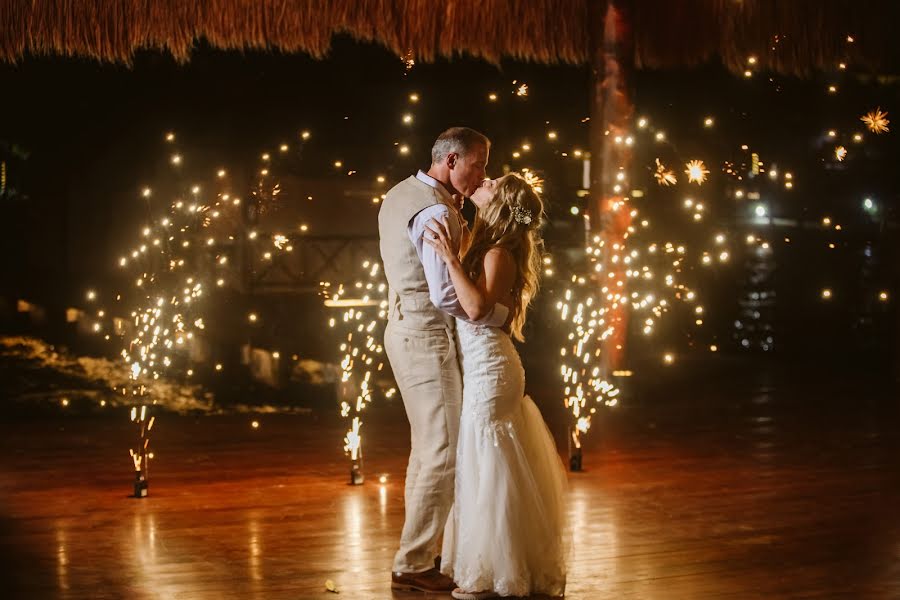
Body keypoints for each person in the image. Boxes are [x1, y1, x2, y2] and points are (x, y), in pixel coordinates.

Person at [423, 173, 569, 599]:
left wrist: (450, 258)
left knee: (491, 465)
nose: (483, 180)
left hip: (492, 371)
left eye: (492, 181)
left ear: (500, 202)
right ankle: (495, 566)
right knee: (486, 462)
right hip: (487, 367)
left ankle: (501, 572)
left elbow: (474, 306)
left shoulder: (499, 254)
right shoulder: (489, 247)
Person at [379, 127, 510, 593]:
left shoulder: (401, 192)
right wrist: (496, 314)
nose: (483, 174)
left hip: (404, 329)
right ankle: (413, 564)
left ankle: (418, 554)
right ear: (451, 161)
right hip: (426, 337)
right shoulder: (436, 210)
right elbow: (446, 296)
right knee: (445, 450)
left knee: (429, 449)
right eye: (479, 164)